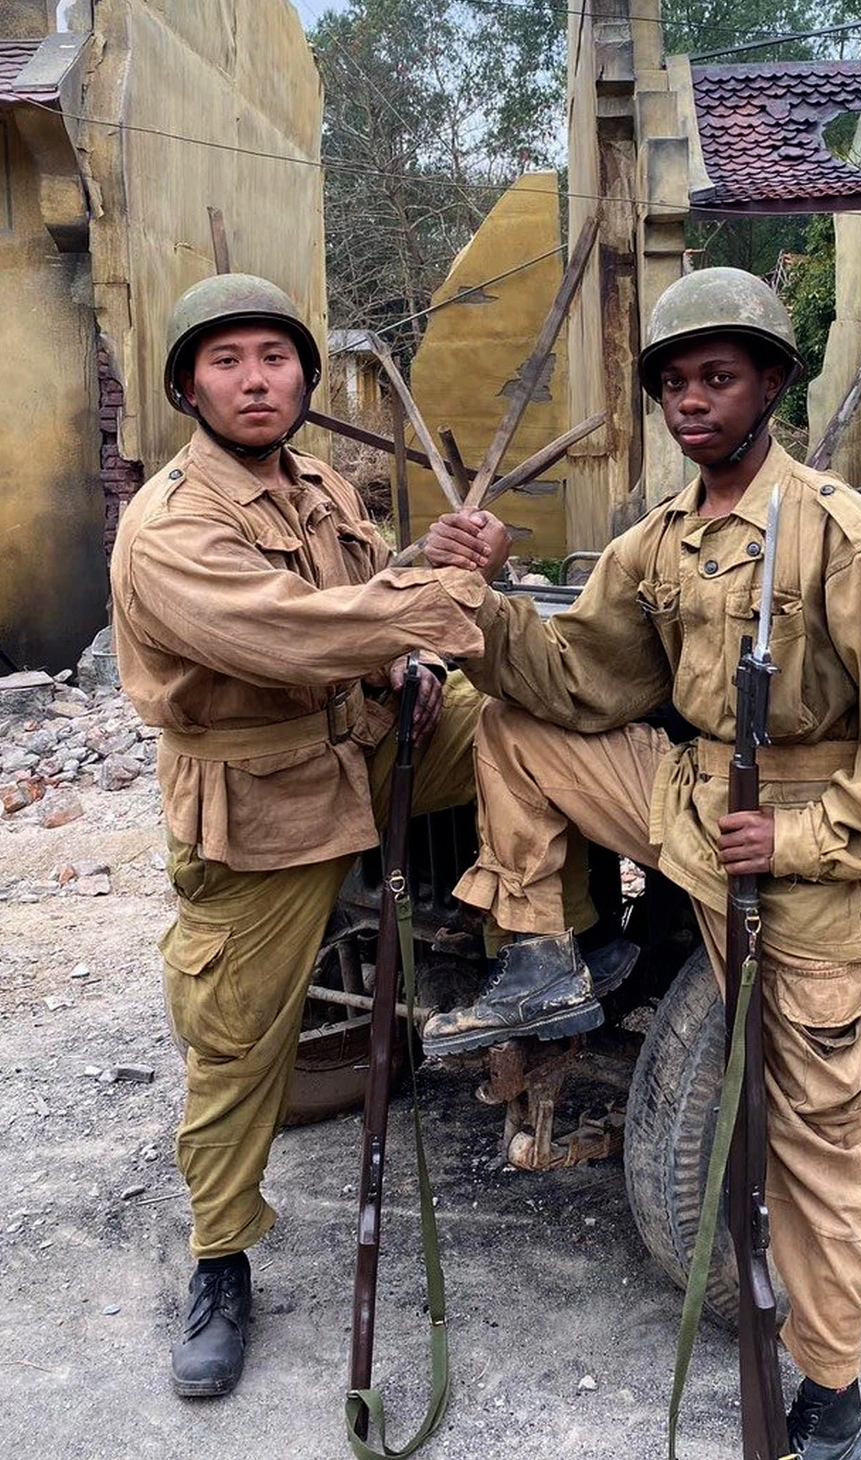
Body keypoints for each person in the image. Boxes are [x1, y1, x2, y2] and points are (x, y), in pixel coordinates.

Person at [420, 266, 861, 1459]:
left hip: (807, 840)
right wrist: (487, 589)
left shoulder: (839, 535)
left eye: (718, 377)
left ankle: (833, 1387)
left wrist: (807, 837)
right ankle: (542, 955)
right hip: (692, 796)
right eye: (673, 383)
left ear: (772, 381)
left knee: (822, 1132)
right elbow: (577, 681)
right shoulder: (659, 544)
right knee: (515, 726)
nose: (691, 402)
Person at [109, 273, 497, 1400]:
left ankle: (537, 948)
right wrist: (431, 601)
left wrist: (415, 650)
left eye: (275, 357)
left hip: (367, 737)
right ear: (189, 383)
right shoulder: (172, 523)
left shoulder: (322, 481)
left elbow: (364, 596)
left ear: (303, 376)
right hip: (264, 794)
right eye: (226, 359)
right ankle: (221, 1261)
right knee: (234, 1046)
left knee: (527, 733)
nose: (255, 378)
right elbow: (285, 635)